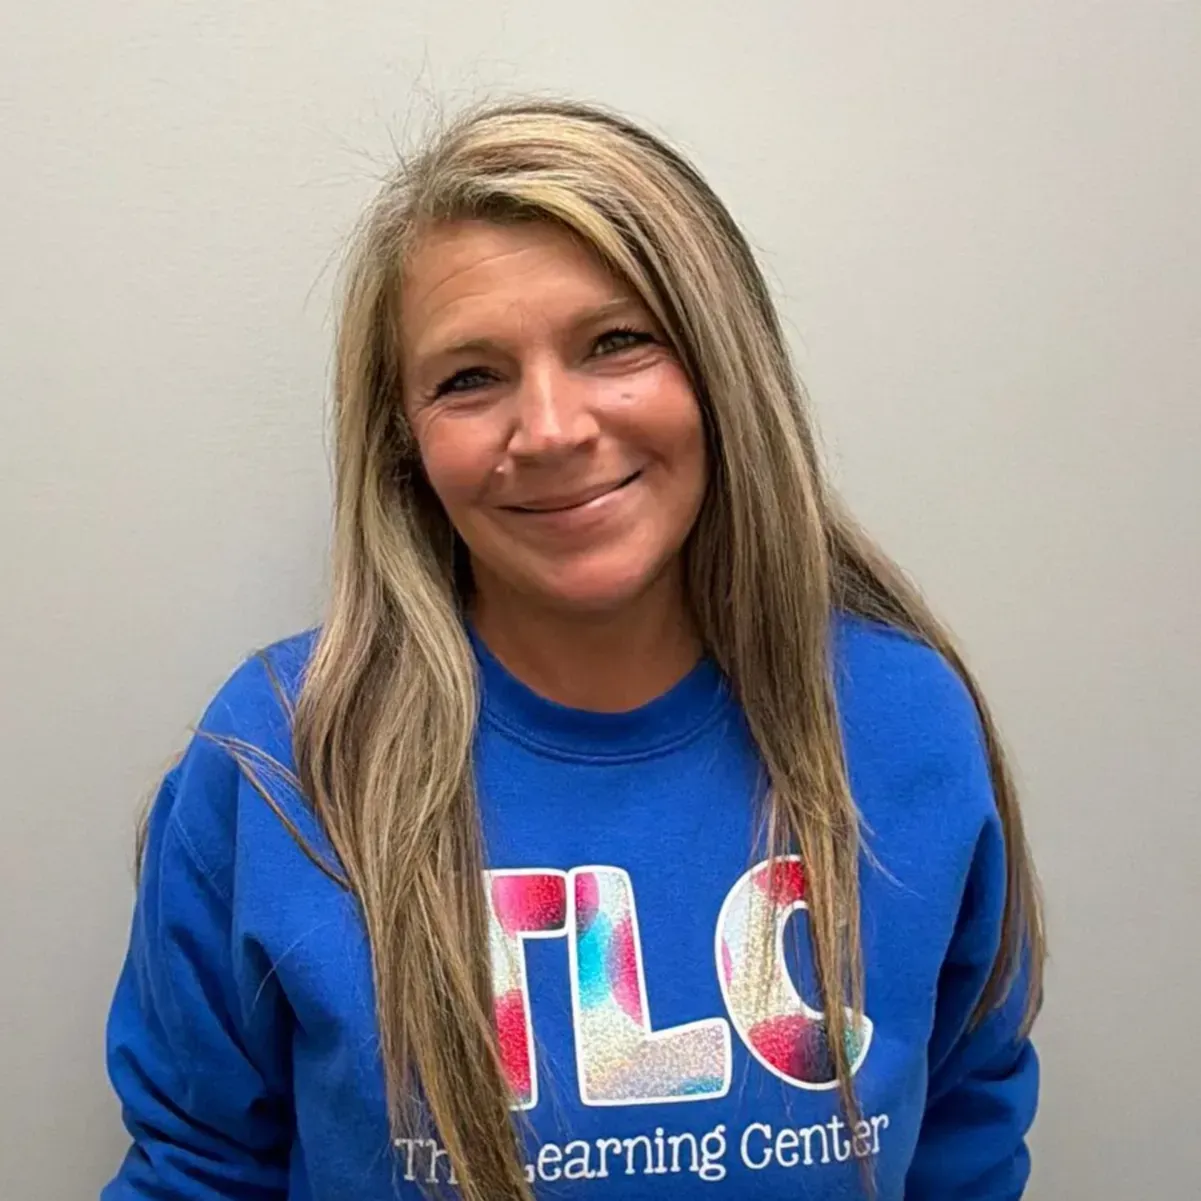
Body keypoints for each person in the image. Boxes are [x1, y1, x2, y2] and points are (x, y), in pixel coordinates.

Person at [102, 98, 1043, 1201]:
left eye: (616, 341)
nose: (549, 428)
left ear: (720, 368)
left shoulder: (903, 723)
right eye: (468, 377)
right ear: (407, 441)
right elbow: (195, 1174)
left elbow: (965, 1131)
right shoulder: (278, 759)